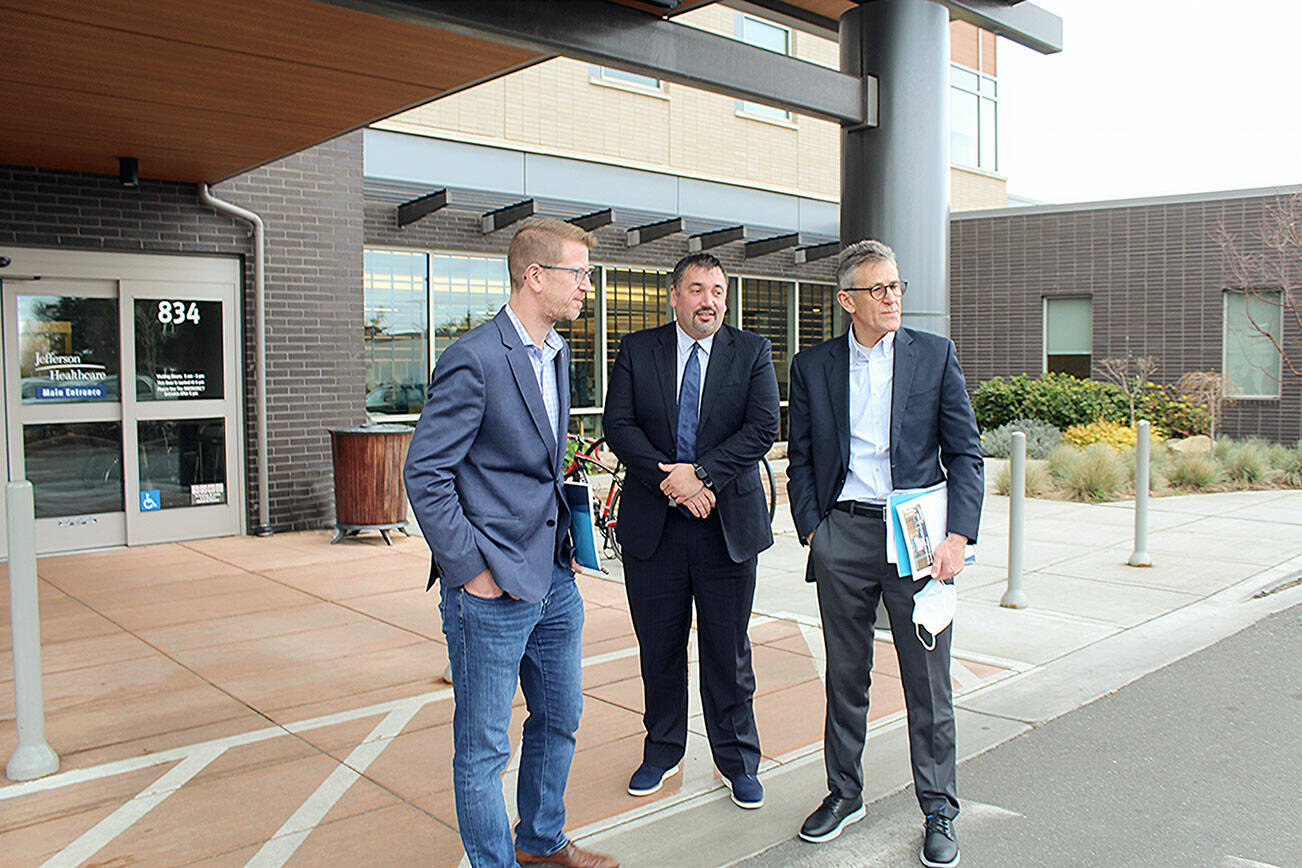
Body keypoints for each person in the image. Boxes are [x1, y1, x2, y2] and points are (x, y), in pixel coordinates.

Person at [404, 217, 617, 868]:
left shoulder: (555, 353)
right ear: (535, 276)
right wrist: (471, 570)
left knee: (559, 717)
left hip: (553, 576)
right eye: (578, 273)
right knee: (483, 750)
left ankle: (540, 841)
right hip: (490, 587)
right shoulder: (474, 358)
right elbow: (426, 473)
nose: (586, 286)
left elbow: (537, 469)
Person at [785, 240, 983, 868]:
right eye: (879, 289)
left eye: (896, 286)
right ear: (848, 301)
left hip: (917, 537)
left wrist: (959, 537)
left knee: (928, 681)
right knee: (846, 676)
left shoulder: (935, 355)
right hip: (843, 534)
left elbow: (966, 452)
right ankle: (845, 794)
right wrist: (814, 530)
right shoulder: (813, 366)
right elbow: (801, 456)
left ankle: (939, 809)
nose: (893, 298)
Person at [602, 252, 780, 810]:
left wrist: (700, 475)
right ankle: (662, 750)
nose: (709, 302)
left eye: (718, 291)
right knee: (659, 648)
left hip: (725, 527)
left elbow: (762, 428)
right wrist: (672, 483)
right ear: (675, 296)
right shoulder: (637, 350)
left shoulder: (751, 351)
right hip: (655, 528)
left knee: (728, 651)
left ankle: (737, 760)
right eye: (698, 290)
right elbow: (618, 425)